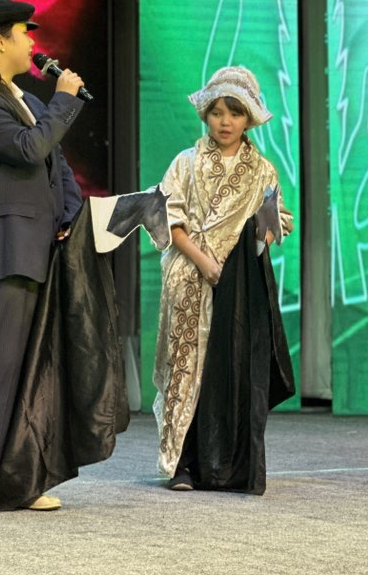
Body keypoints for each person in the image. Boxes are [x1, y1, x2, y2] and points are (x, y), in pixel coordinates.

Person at [0, 0, 86, 516]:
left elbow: (56, 166)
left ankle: (18, 481)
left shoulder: (25, 97)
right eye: (23, 33)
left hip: (42, 246)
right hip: (6, 250)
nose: (33, 43)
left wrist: (70, 213)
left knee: (33, 368)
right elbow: (29, 148)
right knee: (0, 367)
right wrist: (64, 100)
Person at [152, 65, 295, 495]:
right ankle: (182, 464)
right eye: (217, 112)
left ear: (249, 118)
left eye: (235, 113)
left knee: (229, 368)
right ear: (206, 115)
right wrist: (202, 261)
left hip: (239, 283)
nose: (225, 122)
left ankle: (228, 465)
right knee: (186, 368)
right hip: (190, 272)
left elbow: (274, 221)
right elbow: (169, 219)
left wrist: (271, 227)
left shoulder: (262, 170)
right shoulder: (186, 162)